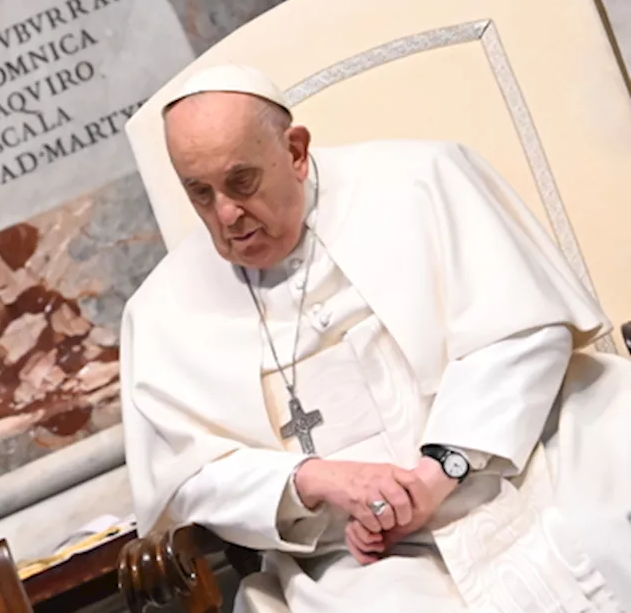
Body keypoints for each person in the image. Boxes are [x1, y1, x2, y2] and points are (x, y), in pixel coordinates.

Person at [120, 64, 631, 612]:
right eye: (200, 194)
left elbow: (525, 334)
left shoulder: (422, 180)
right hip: (354, 555)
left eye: (242, 182)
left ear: (295, 151)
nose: (227, 215)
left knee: (606, 527)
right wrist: (315, 480)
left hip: (529, 469)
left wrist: (440, 472)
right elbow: (190, 479)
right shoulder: (161, 313)